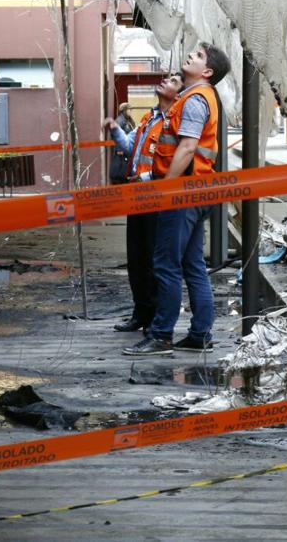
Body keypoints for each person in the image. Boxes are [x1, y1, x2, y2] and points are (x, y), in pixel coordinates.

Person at [123, 44, 231, 356]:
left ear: (207, 72)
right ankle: (199, 334)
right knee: (192, 265)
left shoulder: (196, 99)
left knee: (166, 265)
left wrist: (166, 188)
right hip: (196, 192)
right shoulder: (194, 97)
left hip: (182, 193)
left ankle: (161, 335)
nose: (190, 56)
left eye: (197, 56)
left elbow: (186, 148)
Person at [103, 74, 184, 333]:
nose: (165, 81)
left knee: (153, 259)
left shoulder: (174, 123)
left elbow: (174, 163)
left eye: (173, 81)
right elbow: (131, 147)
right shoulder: (149, 118)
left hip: (157, 197)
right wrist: (116, 131)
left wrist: (148, 177)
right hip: (137, 196)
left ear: (179, 94)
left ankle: (156, 319)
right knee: (136, 258)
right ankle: (141, 313)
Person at [108, 103, 137, 184]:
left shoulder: (129, 121)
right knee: (120, 176)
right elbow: (115, 135)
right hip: (121, 153)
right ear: (124, 110)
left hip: (127, 152)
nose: (130, 111)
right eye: (129, 109)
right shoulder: (120, 120)